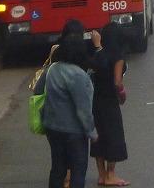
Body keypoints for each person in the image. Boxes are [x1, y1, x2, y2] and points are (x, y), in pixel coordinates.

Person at [42, 31, 98, 188]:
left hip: (53, 127)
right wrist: (92, 132)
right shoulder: (78, 75)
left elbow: (39, 90)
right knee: (78, 170)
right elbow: (83, 109)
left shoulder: (53, 69)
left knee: (58, 168)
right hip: (73, 131)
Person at [90, 24, 130, 186]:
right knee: (113, 135)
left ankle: (101, 175)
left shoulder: (98, 53)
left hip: (95, 100)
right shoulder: (118, 56)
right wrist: (122, 94)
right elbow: (117, 81)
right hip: (109, 101)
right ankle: (111, 174)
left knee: (98, 137)